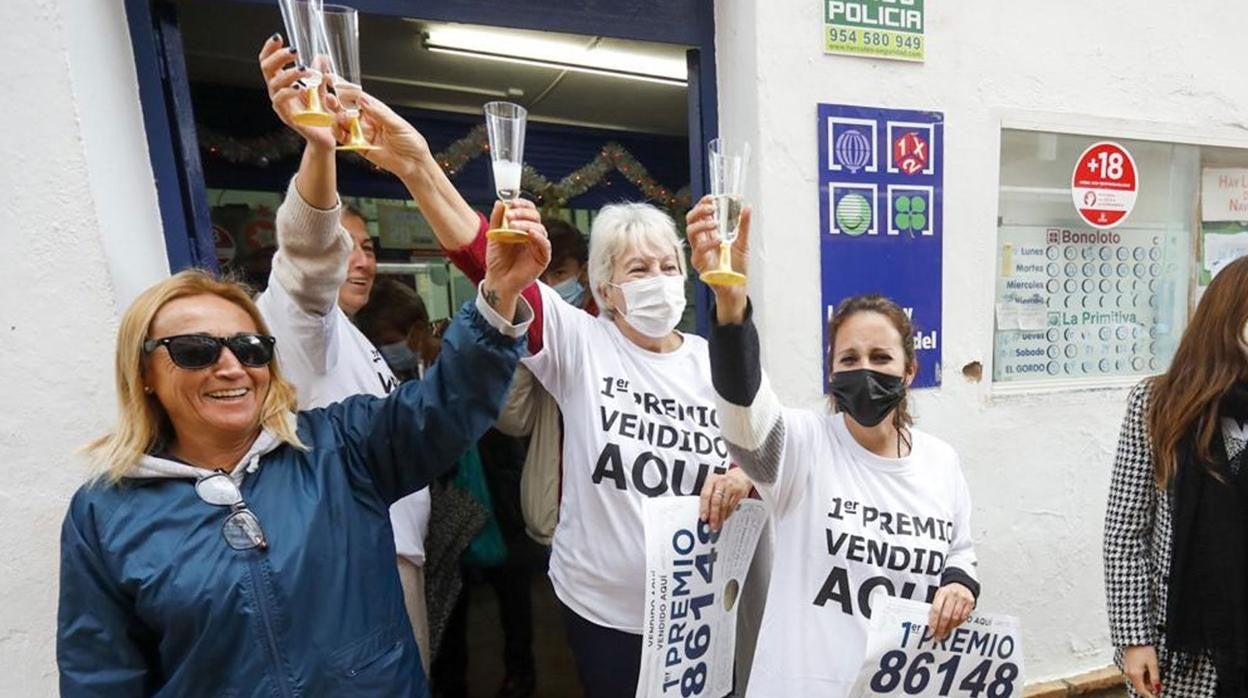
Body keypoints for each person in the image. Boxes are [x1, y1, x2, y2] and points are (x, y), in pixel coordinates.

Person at [56, 235, 545, 695]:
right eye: (195, 350)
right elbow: (102, 675)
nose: (230, 366)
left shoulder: (341, 448)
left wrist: (499, 294)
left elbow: (447, 404)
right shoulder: (106, 514)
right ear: (143, 373)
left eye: (249, 348)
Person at [685, 197, 980, 697]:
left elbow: (962, 550)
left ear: (909, 372)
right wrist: (731, 308)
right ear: (832, 372)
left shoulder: (941, 462)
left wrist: (958, 585)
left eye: (881, 357)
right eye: (849, 358)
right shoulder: (801, 447)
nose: (865, 368)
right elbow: (744, 415)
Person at [256, 34, 447, 674]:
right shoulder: (297, 318)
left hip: (391, 555)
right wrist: (319, 145)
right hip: (351, 566)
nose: (358, 258)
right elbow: (308, 262)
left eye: (367, 248)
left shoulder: (355, 335)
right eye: (347, 244)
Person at [1103, 255, 1248, 698]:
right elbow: (1125, 533)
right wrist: (1134, 639)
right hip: (1186, 647)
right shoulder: (1159, 404)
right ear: (1229, 318)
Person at [496, 218, 597, 545]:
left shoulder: (611, 328)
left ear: (583, 272)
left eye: (560, 274)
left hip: (610, 515)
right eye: (542, 278)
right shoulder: (534, 332)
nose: (551, 287)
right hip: (558, 513)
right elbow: (513, 421)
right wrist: (528, 346)